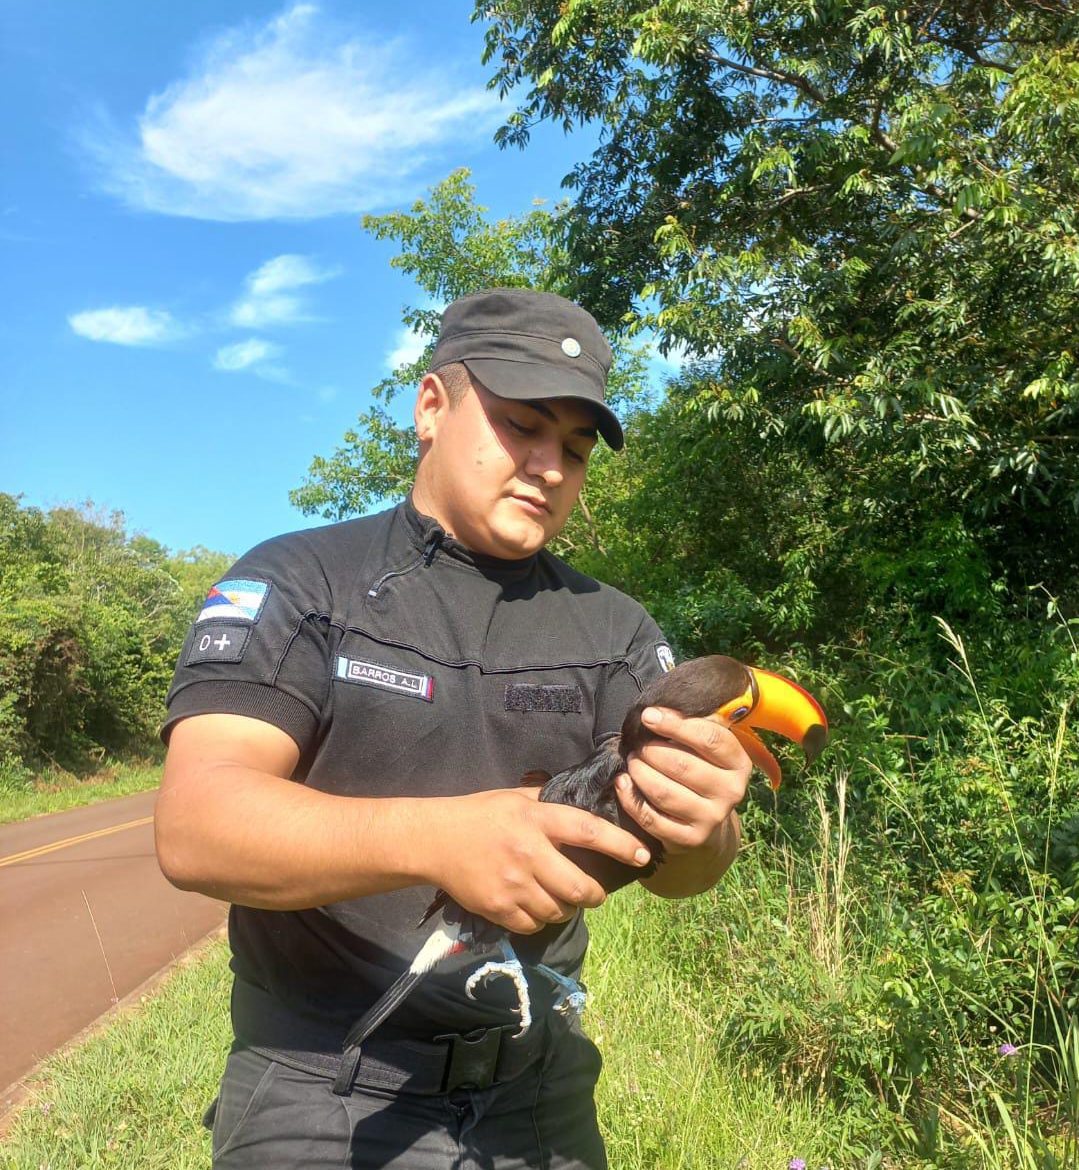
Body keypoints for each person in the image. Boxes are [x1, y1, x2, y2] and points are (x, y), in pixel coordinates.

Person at [154, 287, 756, 1169]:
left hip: (539, 1090)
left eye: (576, 448)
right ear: (431, 407)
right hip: (325, 1088)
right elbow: (196, 827)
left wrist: (707, 827)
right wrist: (440, 838)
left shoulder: (616, 629)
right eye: (522, 424)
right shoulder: (302, 582)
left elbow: (684, 874)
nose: (549, 465)